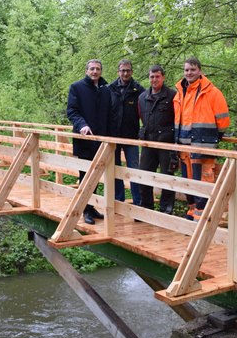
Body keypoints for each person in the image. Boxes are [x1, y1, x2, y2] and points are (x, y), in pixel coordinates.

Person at [174, 57, 230, 221]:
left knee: (204, 183)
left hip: (203, 147)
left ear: (200, 70)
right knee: (189, 183)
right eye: (186, 70)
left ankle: (203, 219)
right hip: (184, 148)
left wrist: (214, 137)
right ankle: (192, 215)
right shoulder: (180, 92)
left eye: (192, 70)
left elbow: (223, 120)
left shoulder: (212, 92)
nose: (189, 73)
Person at [66, 59, 111, 225]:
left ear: (101, 71)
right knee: (85, 176)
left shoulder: (106, 90)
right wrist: (82, 125)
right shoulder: (77, 88)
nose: (95, 71)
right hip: (84, 139)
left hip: (101, 141)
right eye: (92, 69)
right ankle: (85, 210)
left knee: (97, 176)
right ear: (86, 70)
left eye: (98, 69)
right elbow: (72, 111)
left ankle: (92, 208)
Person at [138, 65, 177, 214]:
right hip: (148, 142)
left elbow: (178, 119)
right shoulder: (142, 97)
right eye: (152, 77)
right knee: (144, 175)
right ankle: (147, 208)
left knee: (167, 176)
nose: (154, 80)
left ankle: (166, 210)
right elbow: (141, 116)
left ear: (163, 77)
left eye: (157, 76)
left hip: (166, 142)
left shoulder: (173, 96)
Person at [108, 59, 145, 206]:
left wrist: (143, 131)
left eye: (128, 70)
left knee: (134, 169)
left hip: (131, 137)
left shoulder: (138, 90)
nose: (125, 73)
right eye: (122, 70)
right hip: (113, 137)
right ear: (118, 72)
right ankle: (118, 200)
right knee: (115, 169)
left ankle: (137, 202)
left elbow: (146, 113)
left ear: (132, 72)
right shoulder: (109, 89)